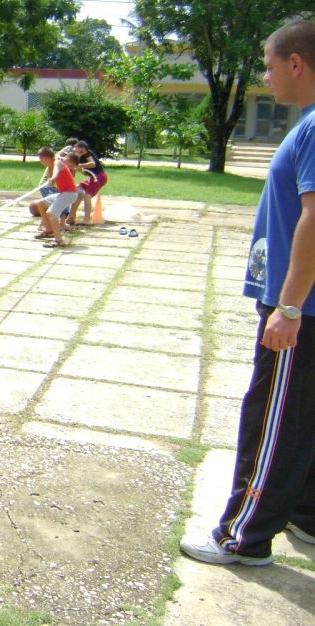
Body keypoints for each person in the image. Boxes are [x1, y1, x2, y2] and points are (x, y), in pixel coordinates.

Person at [179, 20, 315, 567]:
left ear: (297, 64)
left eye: (268, 63)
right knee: (302, 416)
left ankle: (244, 535)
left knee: (272, 419)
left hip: (298, 308)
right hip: (302, 305)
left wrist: (288, 305)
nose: (266, 74)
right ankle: (304, 517)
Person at [29, 148, 80, 249]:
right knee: (40, 204)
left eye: (41, 160)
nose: (41, 162)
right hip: (63, 193)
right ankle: (49, 230)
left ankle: (59, 240)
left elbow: (56, 172)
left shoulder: (57, 163)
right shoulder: (56, 162)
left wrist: (53, 178)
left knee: (52, 214)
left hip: (69, 194)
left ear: (44, 158)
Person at [67, 140, 107, 226]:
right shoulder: (75, 157)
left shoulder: (88, 154)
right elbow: (81, 172)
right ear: (74, 148)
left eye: (82, 152)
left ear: (85, 151)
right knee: (79, 191)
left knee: (87, 196)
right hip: (92, 177)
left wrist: (81, 166)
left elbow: (93, 164)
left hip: (98, 177)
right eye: (77, 151)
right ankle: (71, 216)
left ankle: (87, 219)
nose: (79, 153)